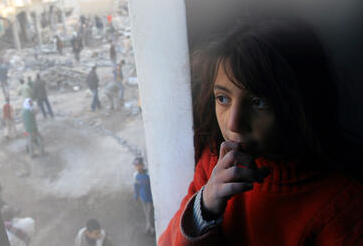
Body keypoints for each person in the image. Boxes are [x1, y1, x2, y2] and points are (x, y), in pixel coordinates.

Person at [158, 19, 363, 245]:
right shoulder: (215, 166)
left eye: (257, 102)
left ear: (300, 106)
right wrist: (204, 207)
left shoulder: (342, 205)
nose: (234, 123)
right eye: (223, 98)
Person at [133, 157, 155, 235]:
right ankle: (148, 226)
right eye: (136, 166)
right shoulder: (136, 176)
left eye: (139, 165)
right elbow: (136, 186)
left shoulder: (148, 175)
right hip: (143, 198)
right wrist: (136, 195)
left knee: (150, 213)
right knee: (146, 213)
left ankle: (151, 227)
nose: (138, 167)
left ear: (143, 165)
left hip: (150, 198)